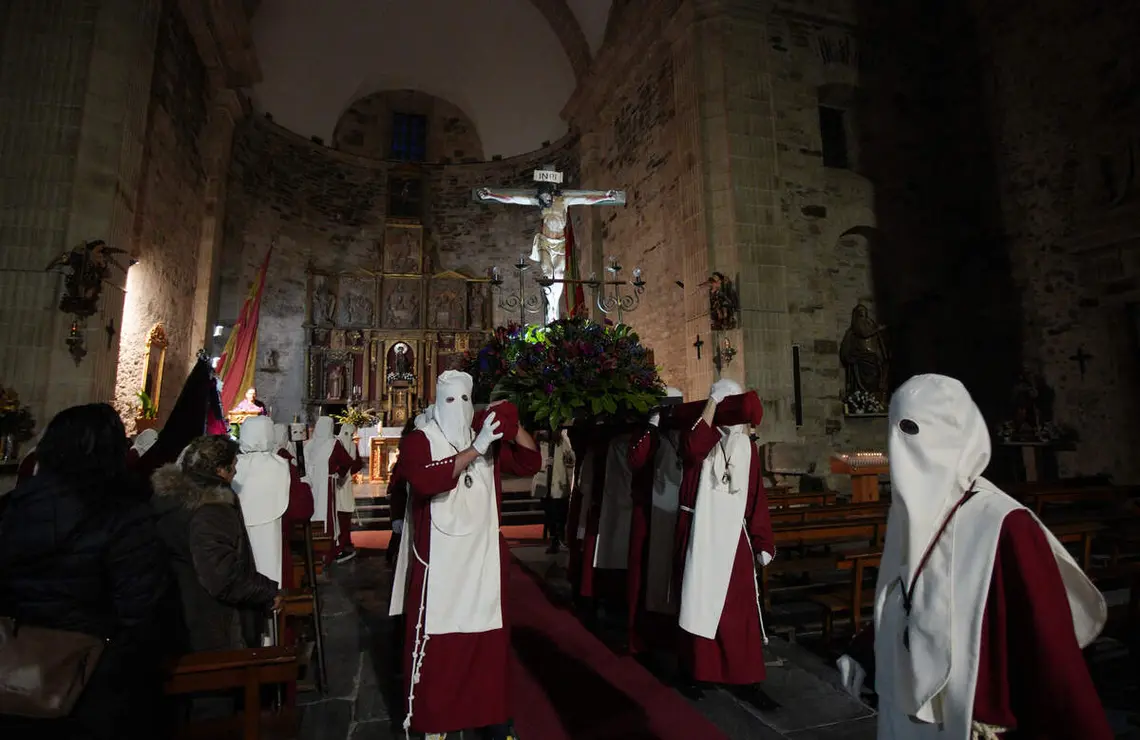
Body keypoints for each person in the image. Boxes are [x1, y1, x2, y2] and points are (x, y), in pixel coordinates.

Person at [835, 374, 1111, 739]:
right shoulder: (908, 513)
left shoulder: (1005, 524)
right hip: (903, 713)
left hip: (972, 721)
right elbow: (909, 594)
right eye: (896, 429)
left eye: (915, 429)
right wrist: (868, 651)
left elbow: (1050, 651)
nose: (902, 446)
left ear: (956, 434)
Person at [0, 404, 174, 739]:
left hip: (16, 671)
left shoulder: (15, 505)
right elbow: (142, 610)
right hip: (93, 679)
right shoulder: (124, 516)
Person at [389, 371, 541, 739]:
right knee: (442, 652)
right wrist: (477, 447)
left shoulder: (486, 441)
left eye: (464, 400)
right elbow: (426, 480)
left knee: (487, 648)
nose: (457, 409)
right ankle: (436, 723)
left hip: (483, 562)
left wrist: (512, 425)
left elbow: (531, 462)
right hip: (441, 567)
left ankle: (493, 718)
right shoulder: (418, 440)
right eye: (449, 401)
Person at [673, 379, 775, 706]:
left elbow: (756, 495)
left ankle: (745, 678)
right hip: (699, 533)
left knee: (738, 611)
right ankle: (694, 671)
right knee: (697, 603)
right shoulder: (702, 434)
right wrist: (712, 405)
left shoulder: (746, 445)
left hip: (733, 538)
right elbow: (692, 449)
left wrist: (762, 540)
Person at [152, 435, 282, 651]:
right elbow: (222, 575)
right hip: (208, 622)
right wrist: (268, 591)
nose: (236, 472)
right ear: (220, 470)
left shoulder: (170, 499)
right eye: (233, 466)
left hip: (177, 614)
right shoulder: (210, 509)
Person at [626, 387, 685, 656]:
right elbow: (637, 459)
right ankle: (643, 635)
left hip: (678, 513)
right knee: (645, 574)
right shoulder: (647, 435)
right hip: (649, 511)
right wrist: (652, 427)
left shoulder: (683, 434)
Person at [303, 417, 362, 564]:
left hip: (310, 485)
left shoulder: (308, 445)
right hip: (327, 484)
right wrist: (339, 473)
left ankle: (313, 550)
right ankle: (328, 552)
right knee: (328, 516)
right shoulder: (333, 443)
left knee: (314, 513)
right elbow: (347, 462)